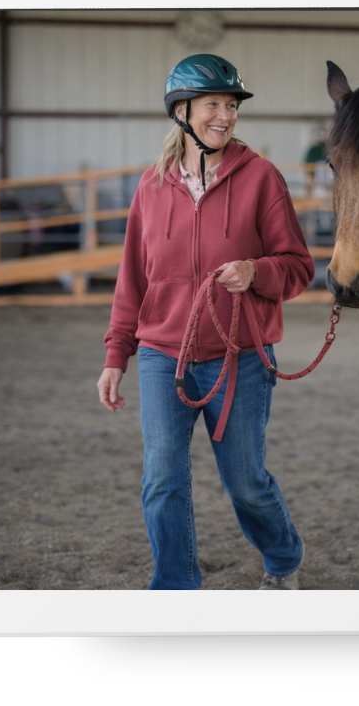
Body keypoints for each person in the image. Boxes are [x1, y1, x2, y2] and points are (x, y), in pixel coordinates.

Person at [97, 54, 314, 590]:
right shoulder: (150, 188)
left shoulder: (262, 178)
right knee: (162, 478)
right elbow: (132, 282)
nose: (225, 115)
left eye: (231, 105)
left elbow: (300, 267)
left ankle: (283, 556)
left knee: (244, 482)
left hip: (240, 357)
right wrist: (114, 357)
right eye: (213, 104)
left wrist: (256, 271)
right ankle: (176, 588)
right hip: (160, 355)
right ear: (182, 111)